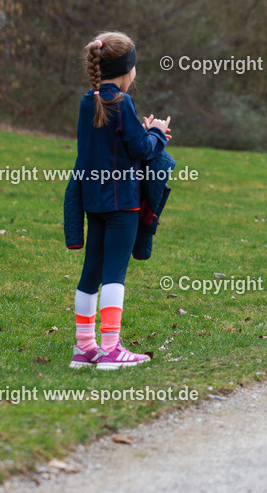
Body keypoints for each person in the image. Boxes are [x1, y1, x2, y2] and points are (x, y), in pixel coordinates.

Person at [63, 32, 172, 369]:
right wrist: (156, 132)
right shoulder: (122, 102)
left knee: (91, 270)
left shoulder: (87, 101)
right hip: (123, 203)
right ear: (128, 70)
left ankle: (85, 349)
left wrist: (140, 132)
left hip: (93, 201)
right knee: (115, 272)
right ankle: (111, 349)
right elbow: (141, 149)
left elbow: (109, 144)